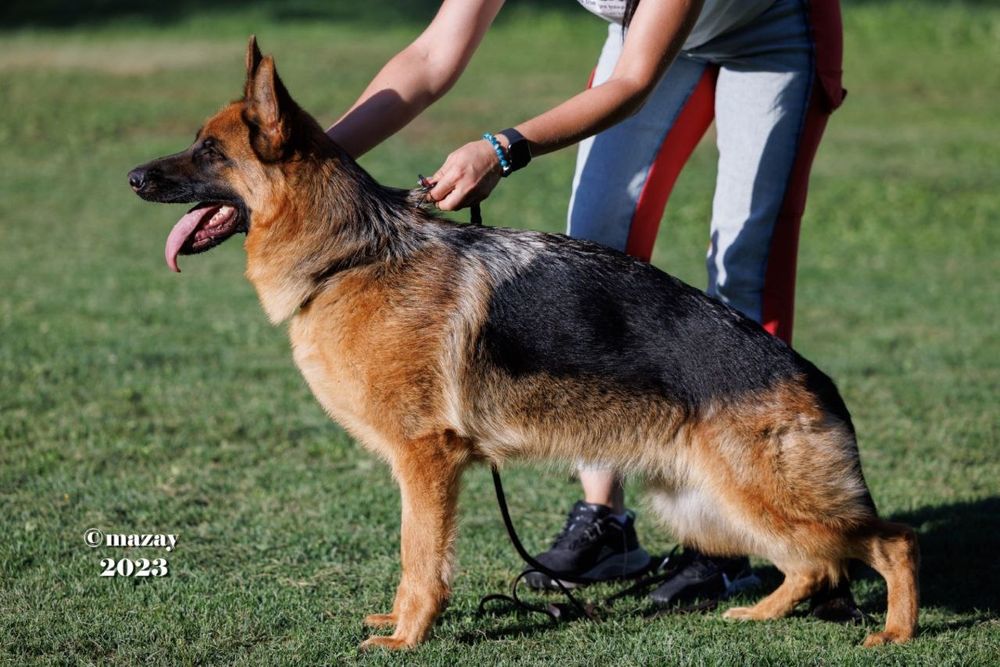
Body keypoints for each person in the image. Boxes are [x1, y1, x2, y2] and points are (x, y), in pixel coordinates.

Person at [326, 0, 855, 613]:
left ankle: (728, 544)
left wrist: (502, 149)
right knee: (594, 249)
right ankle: (603, 520)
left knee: (745, 260)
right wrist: (292, 162)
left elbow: (632, 83)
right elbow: (429, 56)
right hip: (643, 38)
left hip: (772, 30)